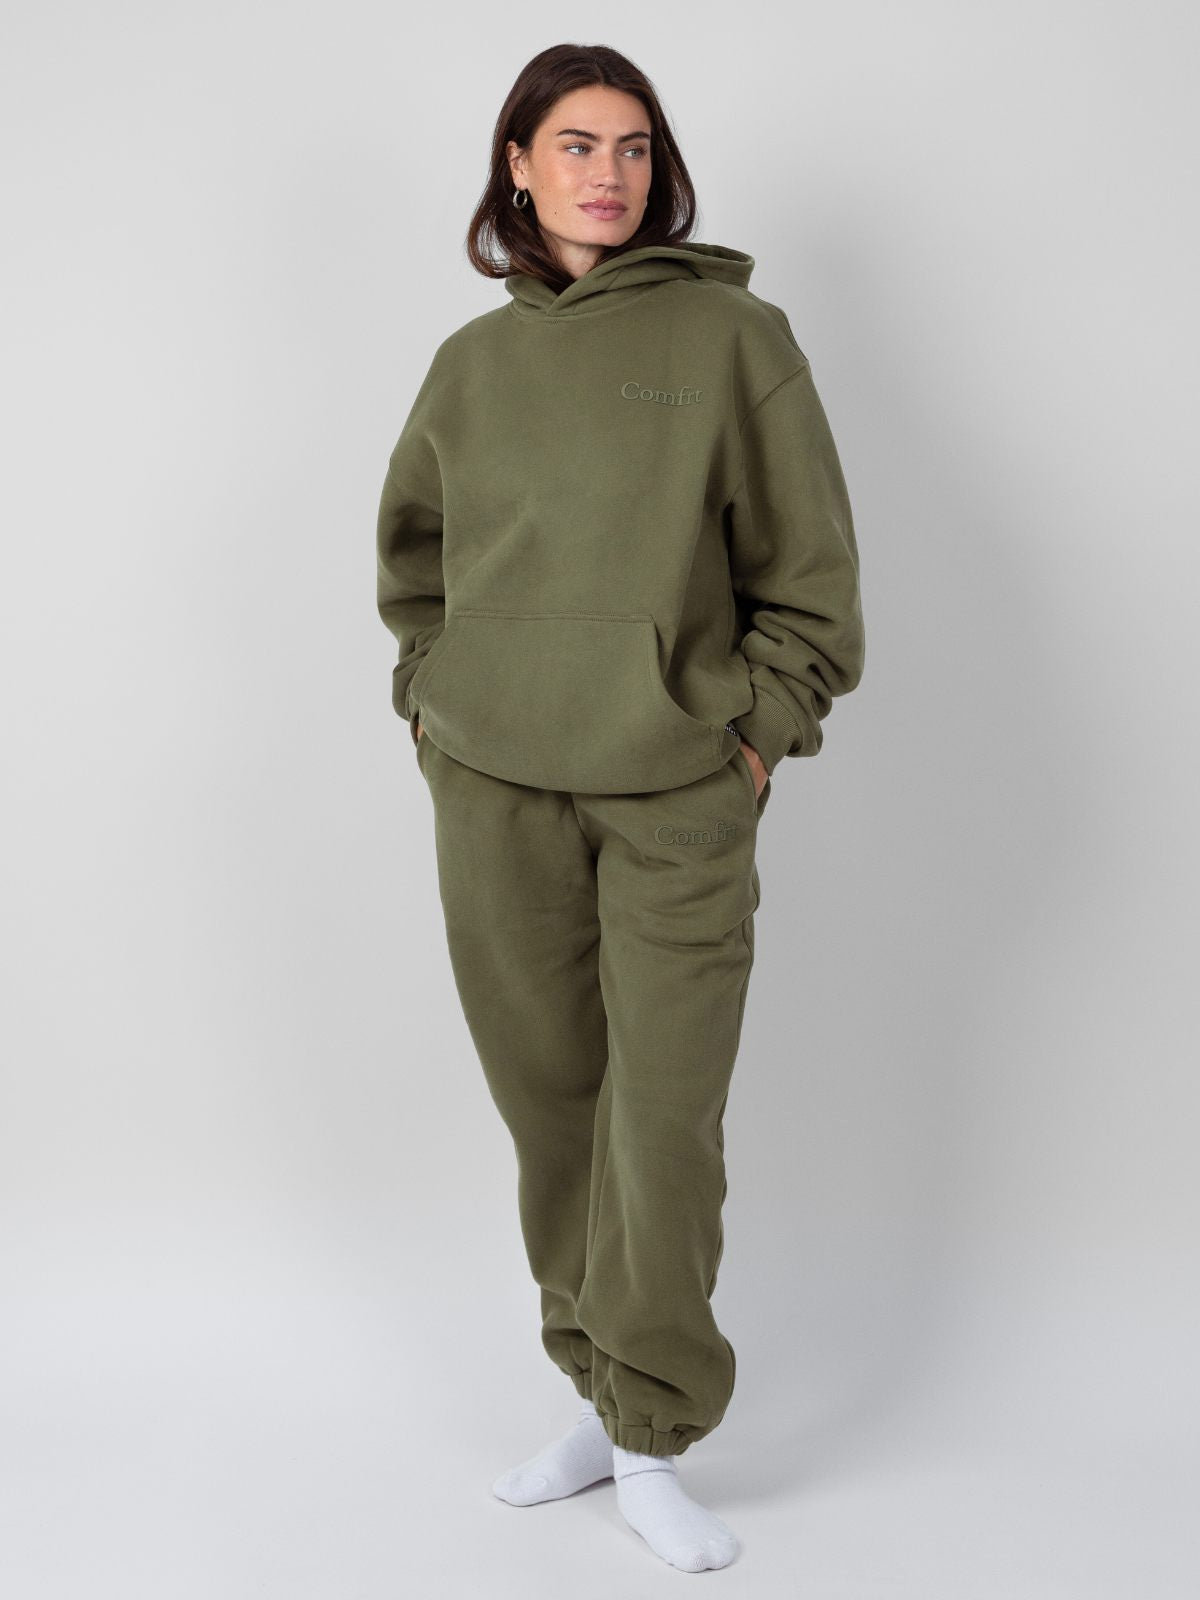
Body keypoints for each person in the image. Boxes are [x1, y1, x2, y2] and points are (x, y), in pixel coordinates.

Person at [375, 42, 866, 1574]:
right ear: (518, 167)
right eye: (577, 144)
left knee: (661, 1123)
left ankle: (654, 1430)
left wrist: (751, 744)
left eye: (635, 147)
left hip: (675, 798)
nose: (609, 173)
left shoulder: (734, 339)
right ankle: (595, 1390)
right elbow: (415, 565)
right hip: (494, 794)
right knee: (553, 1111)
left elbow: (812, 585)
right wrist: (434, 703)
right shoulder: (471, 365)